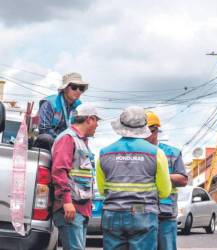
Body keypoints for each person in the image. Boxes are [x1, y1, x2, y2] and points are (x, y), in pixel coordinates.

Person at [96, 106, 171, 250]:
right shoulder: (156, 153)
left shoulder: (103, 153)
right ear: (144, 127)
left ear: (121, 125)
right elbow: (165, 191)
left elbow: (101, 190)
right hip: (143, 214)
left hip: (112, 214)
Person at [51, 103, 101, 250]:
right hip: (71, 207)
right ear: (90, 119)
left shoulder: (81, 141)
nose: (97, 125)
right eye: (97, 121)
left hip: (80, 208)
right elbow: (59, 171)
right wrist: (66, 201)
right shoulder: (68, 138)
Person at [146, 111, 188, 250]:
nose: (145, 137)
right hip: (143, 212)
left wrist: (161, 176)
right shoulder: (138, 152)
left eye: (149, 132)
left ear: (156, 130)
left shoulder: (171, 152)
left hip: (166, 212)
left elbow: (183, 180)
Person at [35, 72, 88, 151]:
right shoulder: (49, 103)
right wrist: (63, 140)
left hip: (69, 142)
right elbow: (44, 129)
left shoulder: (79, 106)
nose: (78, 91)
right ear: (65, 88)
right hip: (52, 142)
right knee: (45, 138)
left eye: (81, 88)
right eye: (74, 87)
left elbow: (81, 129)